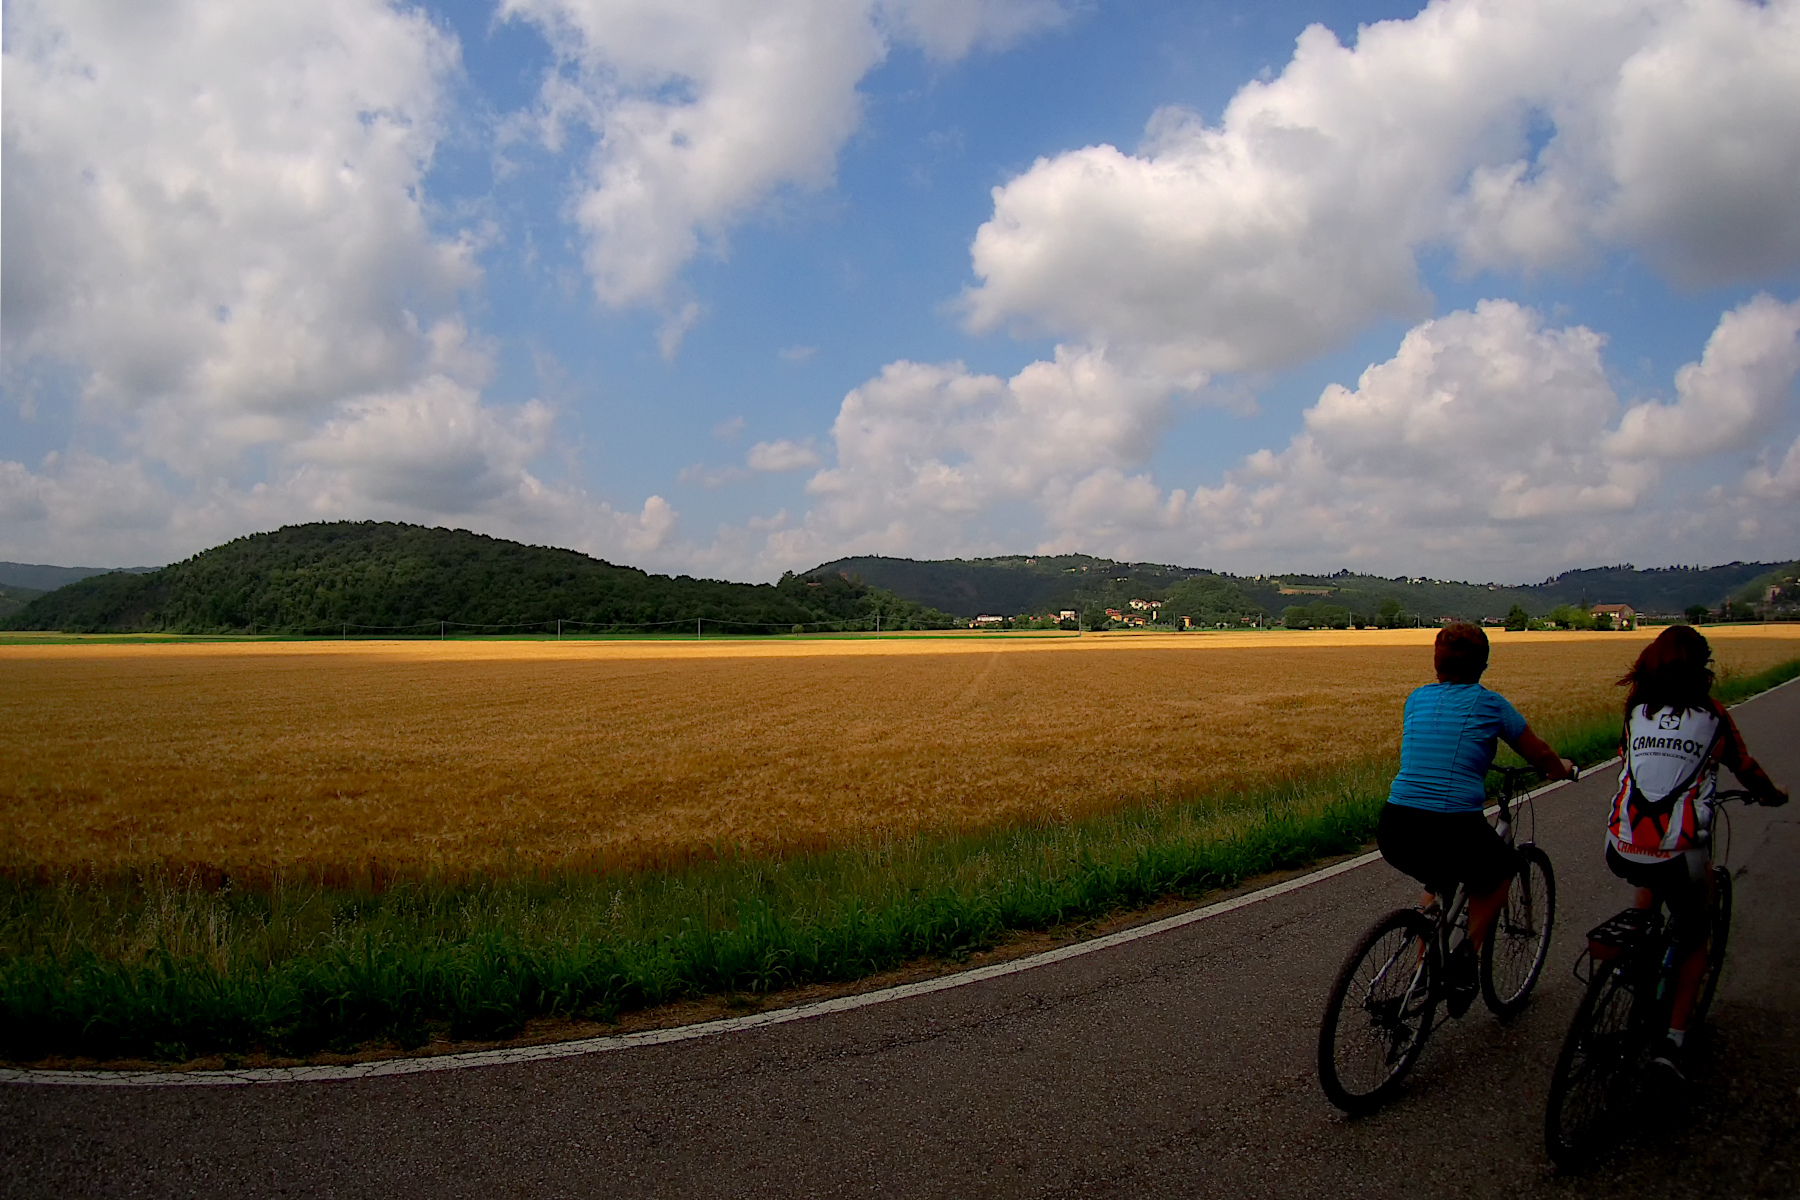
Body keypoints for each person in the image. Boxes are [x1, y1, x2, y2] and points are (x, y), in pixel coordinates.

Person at [1606, 625, 1788, 1082]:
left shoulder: (1636, 712)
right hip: (1680, 851)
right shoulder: (1712, 716)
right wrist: (1772, 796)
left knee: (1650, 873)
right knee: (1693, 937)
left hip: (1620, 843)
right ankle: (1672, 1044)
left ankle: (1637, 950)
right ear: (1702, 668)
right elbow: (1745, 767)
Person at [1377, 623, 1575, 1014]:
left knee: (1439, 877)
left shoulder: (1416, 699)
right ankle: (1466, 958)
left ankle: (1425, 970)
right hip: (1452, 826)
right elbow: (1538, 753)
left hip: (1395, 826)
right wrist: (1561, 769)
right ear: (1483, 665)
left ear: (1436, 663)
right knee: (1501, 870)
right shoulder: (1490, 705)